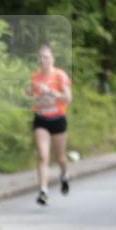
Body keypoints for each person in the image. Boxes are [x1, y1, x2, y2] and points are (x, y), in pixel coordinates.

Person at [27, 44, 72, 206]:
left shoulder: (60, 75)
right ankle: (43, 191)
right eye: (40, 57)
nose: (42, 60)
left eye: (46, 57)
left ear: (52, 59)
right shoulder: (34, 76)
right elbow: (32, 96)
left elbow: (68, 98)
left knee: (60, 157)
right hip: (41, 118)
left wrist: (50, 92)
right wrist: (30, 94)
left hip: (58, 119)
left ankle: (64, 174)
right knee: (43, 155)